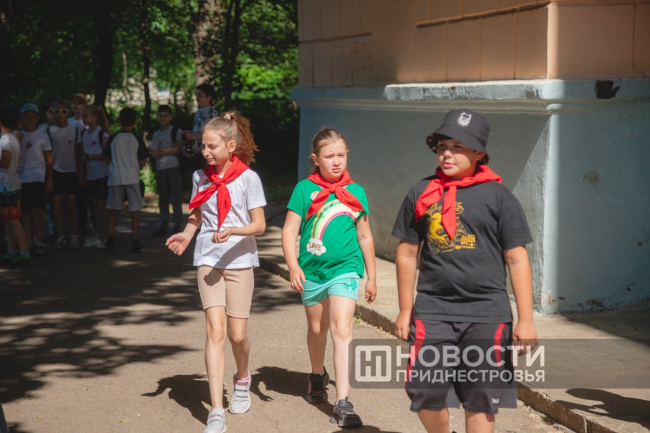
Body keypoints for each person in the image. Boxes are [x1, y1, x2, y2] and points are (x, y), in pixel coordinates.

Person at [392, 109, 538, 433]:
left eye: (458, 147)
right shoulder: (421, 192)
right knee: (423, 388)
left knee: (480, 399)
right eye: (443, 146)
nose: (447, 153)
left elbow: (517, 259)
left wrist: (526, 319)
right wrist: (404, 308)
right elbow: (407, 253)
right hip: (433, 309)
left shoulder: (500, 197)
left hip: (487, 313)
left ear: (479, 154)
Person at [166, 112, 266, 433]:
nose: (205, 152)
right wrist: (186, 235)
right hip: (208, 259)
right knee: (215, 331)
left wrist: (234, 230)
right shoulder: (200, 176)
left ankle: (242, 377)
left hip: (240, 260)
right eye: (203, 146)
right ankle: (217, 411)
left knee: (237, 335)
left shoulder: (248, 178)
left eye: (212, 146)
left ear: (231, 146)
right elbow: (196, 216)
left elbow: (259, 225)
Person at [281, 128, 377, 428]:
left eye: (341, 155)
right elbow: (289, 231)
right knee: (317, 329)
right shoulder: (304, 190)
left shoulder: (356, 192)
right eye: (329, 156)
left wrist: (371, 276)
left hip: (345, 269)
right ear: (315, 159)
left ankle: (343, 402)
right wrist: (293, 267)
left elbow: (364, 236)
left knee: (342, 328)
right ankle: (316, 375)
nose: (336, 161)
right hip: (312, 272)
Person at [102, 107, 149, 253]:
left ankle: (110, 239)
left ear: (119, 121)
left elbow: (106, 158)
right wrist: (135, 169)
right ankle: (135, 241)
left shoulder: (113, 138)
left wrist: (115, 167)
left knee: (113, 209)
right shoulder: (137, 138)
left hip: (115, 178)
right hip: (132, 178)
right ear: (135, 122)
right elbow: (143, 160)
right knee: (134, 210)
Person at [18, 103, 53, 256]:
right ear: (21, 118)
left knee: (36, 210)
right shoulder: (17, 136)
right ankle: (28, 241)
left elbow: (49, 160)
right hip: (21, 177)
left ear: (38, 118)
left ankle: (39, 240)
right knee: (25, 211)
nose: (29, 120)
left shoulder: (42, 136)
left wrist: (49, 180)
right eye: (26, 117)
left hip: (37, 176)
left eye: (32, 117)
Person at [47, 100, 82, 248]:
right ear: (53, 113)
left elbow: (78, 153)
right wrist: (49, 178)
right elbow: (47, 155)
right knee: (57, 204)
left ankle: (74, 235)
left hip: (71, 170)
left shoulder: (75, 130)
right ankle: (60, 235)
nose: (60, 114)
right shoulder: (48, 131)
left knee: (72, 203)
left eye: (63, 111)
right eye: (57, 111)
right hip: (56, 171)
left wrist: (81, 174)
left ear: (68, 113)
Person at [0, 107, 32, 266]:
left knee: (13, 220)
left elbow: (5, 162)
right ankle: (11, 251)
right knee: (9, 220)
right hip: (10, 184)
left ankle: (24, 252)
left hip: (7, 186)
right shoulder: (13, 138)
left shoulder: (6, 140)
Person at [78, 105, 110, 249]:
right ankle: (99, 233)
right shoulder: (84, 134)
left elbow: (106, 155)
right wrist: (81, 174)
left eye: (86, 116)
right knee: (94, 207)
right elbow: (82, 156)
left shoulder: (102, 133)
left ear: (95, 117)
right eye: (82, 116)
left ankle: (106, 235)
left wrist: (89, 156)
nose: (83, 118)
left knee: (102, 207)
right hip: (90, 175)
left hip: (102, 174)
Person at [150, 105, 183, 237]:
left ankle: (177, 226)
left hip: (173, 167)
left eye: (165, 115)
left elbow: (178, 149)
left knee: (175, 197)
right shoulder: (156, 134)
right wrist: (170, 150)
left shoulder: (176, 131)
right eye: (160, 115)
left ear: (170, 116)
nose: (163, 118)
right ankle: (163, 225)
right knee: (163, 198)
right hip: (161, 168)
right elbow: (154, 153)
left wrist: (163, 151)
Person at [182, 83, 218, 171]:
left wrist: (193, 136)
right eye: (197, 95)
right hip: (196, 152)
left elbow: (211, 135)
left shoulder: (211, 113)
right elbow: (198, 131)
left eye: (200, 95)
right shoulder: (198, 112)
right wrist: (189, 133)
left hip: (207, 153)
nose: (197, 98)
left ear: (209, 97)